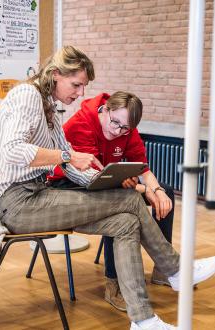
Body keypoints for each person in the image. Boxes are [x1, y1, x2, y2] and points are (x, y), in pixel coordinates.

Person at [0, 45, 215, 330]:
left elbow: (73, 165)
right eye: (76, 84)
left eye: (83, 86)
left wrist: (99, 181)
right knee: (129, 199)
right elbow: (11, 150)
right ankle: (175, 270)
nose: (79, 93)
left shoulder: (49, 107)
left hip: (35, 195)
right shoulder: (28, 96)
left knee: (125, 222)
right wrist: (67, 156)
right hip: (19, 203)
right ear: (54, 75)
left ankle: (143, 320)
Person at [49, 91, 175, 312]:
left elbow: (142, 166)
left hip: (106, 180)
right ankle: (113, 284)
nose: (118, 131)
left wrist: (156, 190)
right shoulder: (81, 124)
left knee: (167, 192)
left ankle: (163, 271)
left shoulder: (127, 125)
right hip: (67, 184)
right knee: (119, 210)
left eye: (125, 128)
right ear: (105, 110)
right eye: (115, 123)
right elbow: (93, 176)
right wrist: (142, 188)